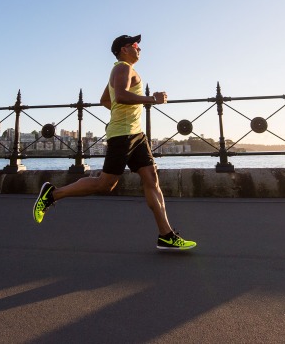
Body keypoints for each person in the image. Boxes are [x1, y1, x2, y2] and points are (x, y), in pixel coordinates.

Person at [33, 34, 196, 251]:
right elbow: (119, 96)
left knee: (151, 179)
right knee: (105, 184)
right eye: (135, 45)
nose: (140, 49)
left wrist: (124, 114)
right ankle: (52, 194)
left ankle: (166, 235)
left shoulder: (124, 69)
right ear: (123, 49)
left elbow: (105, 100)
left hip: (136, 134)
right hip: (123, 135)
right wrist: (151, 99)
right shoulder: (122, 68)